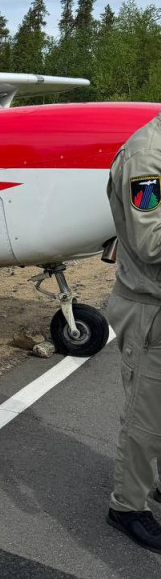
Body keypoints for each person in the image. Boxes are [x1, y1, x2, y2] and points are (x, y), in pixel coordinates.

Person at [106, 109, 161, 551]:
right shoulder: (147, 156)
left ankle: (153, 483)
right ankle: (127, 506)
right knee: (147, 419)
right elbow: (150, 241)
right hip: (150, 309)